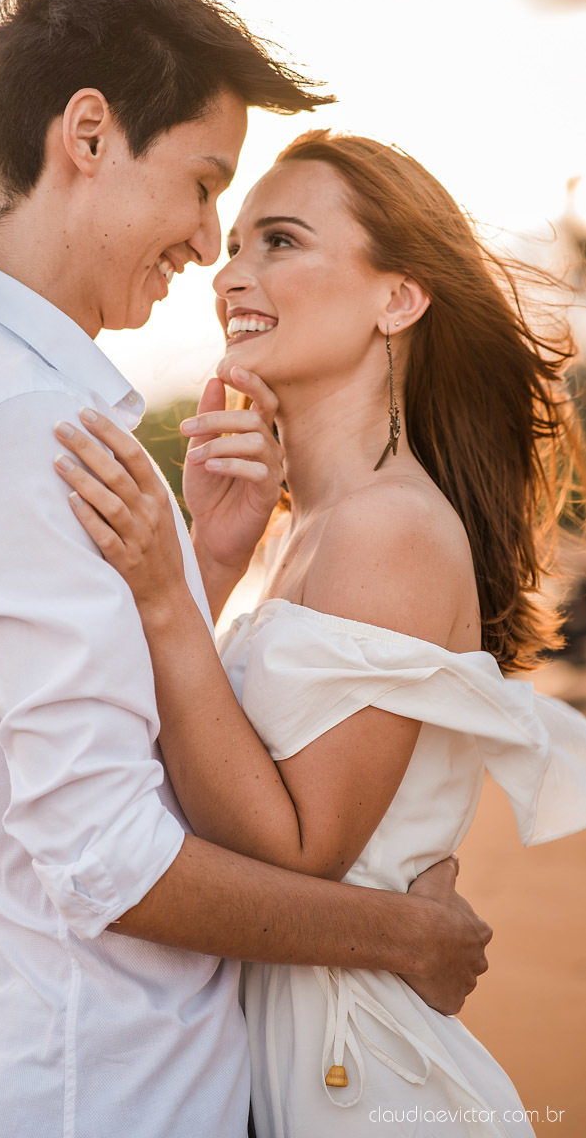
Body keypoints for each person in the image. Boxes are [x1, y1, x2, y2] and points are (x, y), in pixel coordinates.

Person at [0, 0, 492, 1135]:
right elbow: (107, 862)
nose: (212, 246)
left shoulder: (19, 403)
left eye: (264, 224)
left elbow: (95, 774)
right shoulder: (25, 425)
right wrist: (405, 934)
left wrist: (201, 569)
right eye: (207, 184)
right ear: (91, 135)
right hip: (104, 1093)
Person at [48, 129, 586, 1136]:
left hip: (359, 1080)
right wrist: (13, 751)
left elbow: (297, 851)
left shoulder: (392, 529)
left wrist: (167, 595)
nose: (231, 273)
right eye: (236, 243)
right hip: (283, 1052)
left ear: (399, 297)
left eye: (280, 241)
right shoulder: (305, 528)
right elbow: (200, 774)